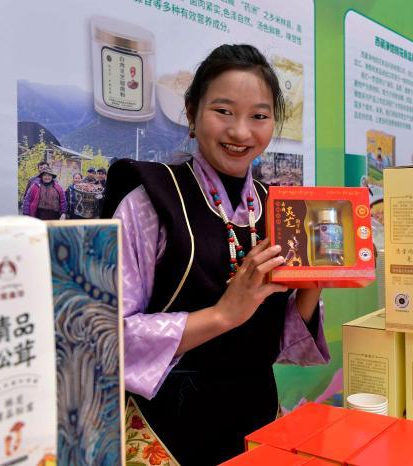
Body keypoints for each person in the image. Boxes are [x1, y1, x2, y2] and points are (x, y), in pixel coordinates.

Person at [100, 44, 328, 466]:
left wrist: (312, 287)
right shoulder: (148, 202)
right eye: (223, 111)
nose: (241, 132)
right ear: (191, 113)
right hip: (167, 426)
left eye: (259, 116)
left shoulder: (279, 207)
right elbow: (108, 337)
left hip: (258, 414)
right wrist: (224, 314)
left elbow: (281, 342)